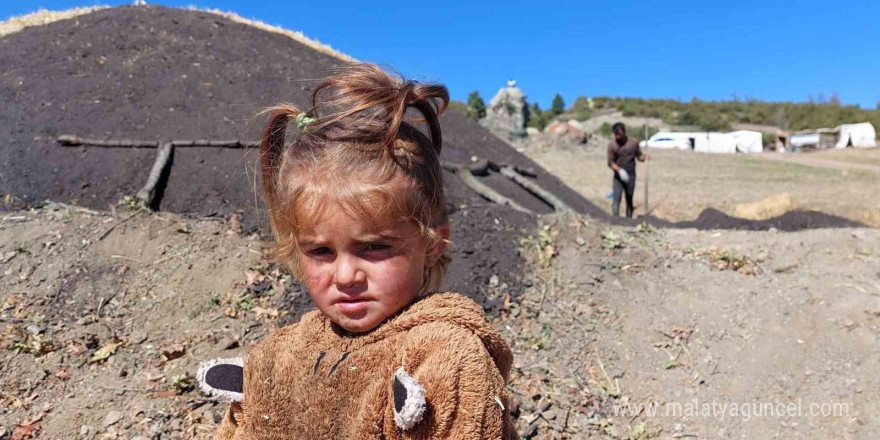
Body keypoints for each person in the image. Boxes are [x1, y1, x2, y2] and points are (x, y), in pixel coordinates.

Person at [199, 63, 516, 439]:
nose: (346, 276)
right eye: (320, 251)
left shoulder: (444, 358)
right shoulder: (277, 357)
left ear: (432, 244)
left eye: (374, 247)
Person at [607, 122, 648, 218]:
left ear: (624, 132)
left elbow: (639, 156)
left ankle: (628, 220)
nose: (617, 137)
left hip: (631, 174)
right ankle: (615, 220)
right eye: (615, 134)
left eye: (619, 134)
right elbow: (610, 162)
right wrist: (619, 170)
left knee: (629, 198)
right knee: (616, 198)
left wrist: (644, 157)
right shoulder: (612, 145)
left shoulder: (633, 143)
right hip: (618, 175)